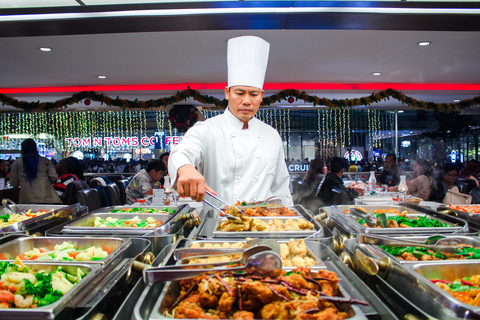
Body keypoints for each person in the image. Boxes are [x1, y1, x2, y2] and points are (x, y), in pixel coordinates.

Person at [169, 36, 293, 206]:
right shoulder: (207, 129)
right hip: (216, 225)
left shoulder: (271, 135)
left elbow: (281, 189)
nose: (247, 101)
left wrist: (289, 223)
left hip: (263, 227)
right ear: (227, 93)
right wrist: (185, 167)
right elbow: (181, 152)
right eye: (240, 93)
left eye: (254, 94)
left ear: (262, 96)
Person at [9, 139, 61, 204]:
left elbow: (14, 183)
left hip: (26, 198)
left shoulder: (17, 163)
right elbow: (53, 177)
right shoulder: (45, 161)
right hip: (47, 197)